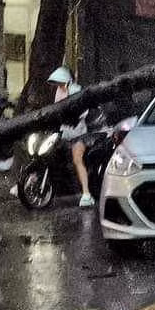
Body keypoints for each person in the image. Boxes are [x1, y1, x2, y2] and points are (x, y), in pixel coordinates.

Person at [48, 67, 96, 208]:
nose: (59, 85)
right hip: (64, 132)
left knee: (77, 159)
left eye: (60, 83)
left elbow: (82, 111)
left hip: (78, 133)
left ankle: (86, 194)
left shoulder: (76, 90)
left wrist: (71, 118)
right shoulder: (59, 91)